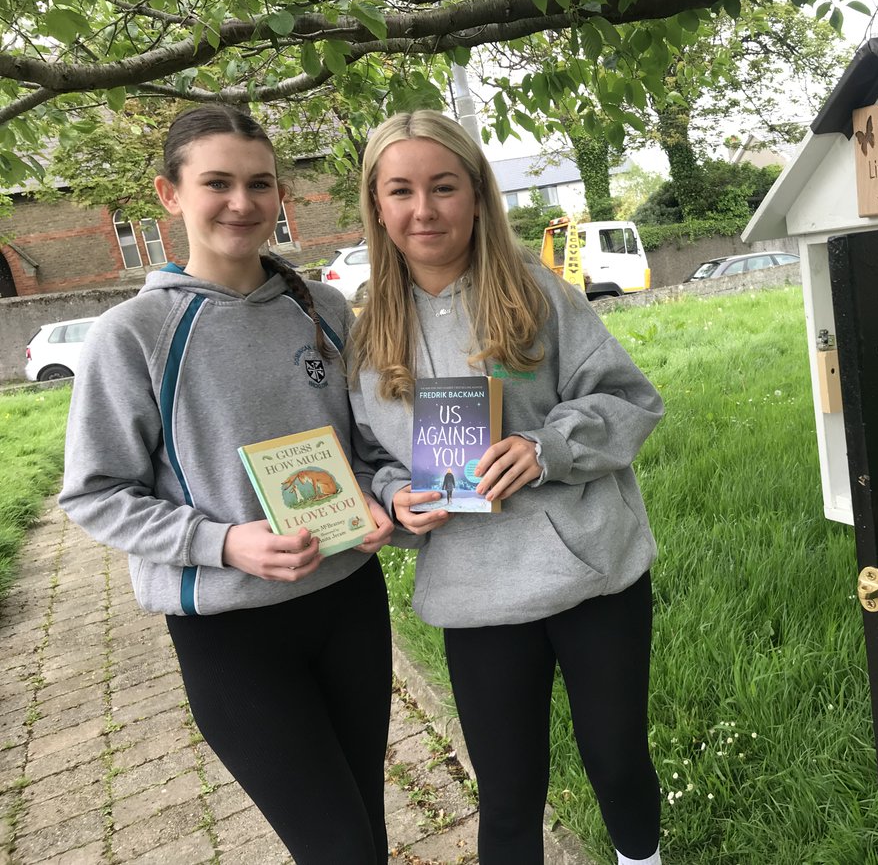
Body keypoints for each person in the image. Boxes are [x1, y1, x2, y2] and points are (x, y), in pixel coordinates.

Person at [58, 105, 396, 864]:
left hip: (350, 605)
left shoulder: (326, 309)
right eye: (217, 183)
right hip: (233, 633)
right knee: (340, 847)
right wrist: (222, 542)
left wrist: (375, 495)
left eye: (260, 184)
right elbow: (94, 493)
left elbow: (369, 443)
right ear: (170, 193)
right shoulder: (134, 334)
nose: (242, 203)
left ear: (281, 195)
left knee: (367, 826)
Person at [349, 109, 665, 865]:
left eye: (444, 186)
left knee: (617, 762)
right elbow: (367, 457)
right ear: (377, 205)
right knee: (509, 794)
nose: (423, 210)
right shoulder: (367, 334)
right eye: (401, 191)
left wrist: (545, 446)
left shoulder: (538, 295)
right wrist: (394, 497)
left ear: (478, 195)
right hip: (475, 593)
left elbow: (631, 400)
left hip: (593, 574)